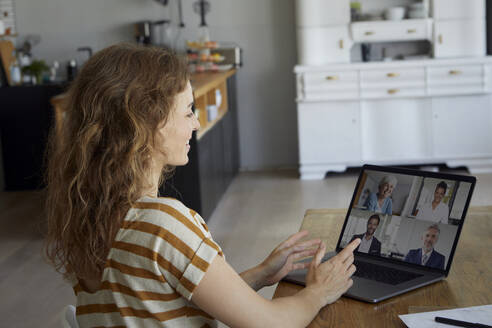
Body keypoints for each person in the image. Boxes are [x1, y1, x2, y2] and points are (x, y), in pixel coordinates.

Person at [44, 43, 361, 327]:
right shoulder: (163, 225)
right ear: (149, 124)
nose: (195, 123)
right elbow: (271, 324)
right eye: (187, 112)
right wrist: (319, 292)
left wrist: (260, 274)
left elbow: (167, 302)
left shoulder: (88, 220)